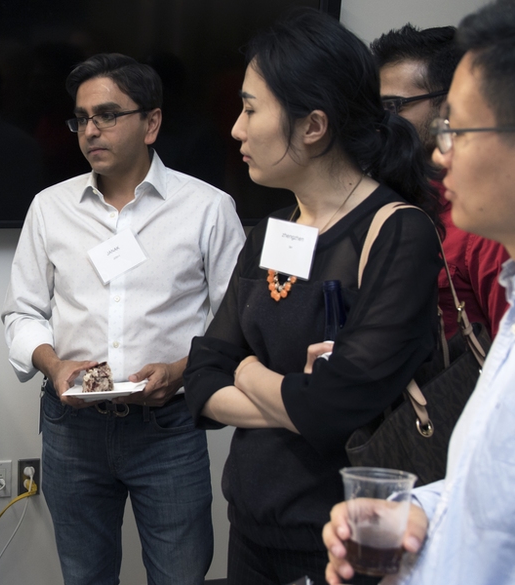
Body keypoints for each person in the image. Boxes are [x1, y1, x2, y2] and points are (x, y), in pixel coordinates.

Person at [182, 10, 442, 585]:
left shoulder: (398, 231)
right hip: (252, 525)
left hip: (346, 539)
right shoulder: (273, 232)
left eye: (251, 109)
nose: (236, 129)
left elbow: (334, 405)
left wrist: (247, 371)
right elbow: (201, 378)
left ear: (314, 126)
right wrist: (294, 399)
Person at [1, 53, 245, 585]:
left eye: (107, 115)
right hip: (71, 429)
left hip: (168, 426)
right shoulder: (50, 207)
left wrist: (180, 371)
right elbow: (23, 311)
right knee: (84, 576)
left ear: (151, 123)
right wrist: (54, 365)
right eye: (81, 118)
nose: (91, 130)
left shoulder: (208, 208)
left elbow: (234, 324)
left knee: (181, 575)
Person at [324, 1, 515, 583]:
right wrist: (421, 512)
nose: (439, 151)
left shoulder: (478, 242)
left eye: (456, 129)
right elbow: (489, 492)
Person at [373, 24, 509, 340]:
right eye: (376, 108)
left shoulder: (482, 223)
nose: (380, 122)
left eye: (393, 106)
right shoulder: (385, 200)